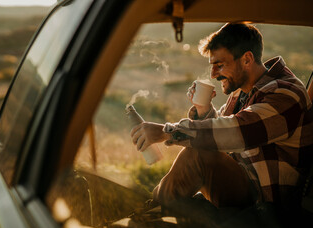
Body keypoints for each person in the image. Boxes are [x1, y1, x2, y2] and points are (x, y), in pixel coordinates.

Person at [131, 23, 313, 210]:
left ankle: (153, 210)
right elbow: (222, 136)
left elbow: (238, 132)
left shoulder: (285, 95)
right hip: (244, 186)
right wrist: (204, 111)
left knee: (198, 155)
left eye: (220, 65)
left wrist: (167, 132)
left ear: (247, 60)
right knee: (200, 152)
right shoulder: (243, 91)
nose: (213, 74)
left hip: (268, 205)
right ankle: (155, 209)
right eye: (212, 66)